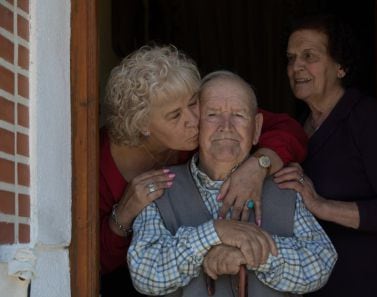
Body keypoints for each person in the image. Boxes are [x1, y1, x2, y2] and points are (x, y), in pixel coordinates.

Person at [100, 45, 308, 296]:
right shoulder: (94, 167)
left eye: (193, 104)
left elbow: (289, 129)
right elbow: (92, 264)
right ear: (143, 124)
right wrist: (121, 217)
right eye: (175, 115)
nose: (193, 120)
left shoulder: (201, 133)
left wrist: (259, 164)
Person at [128, 70, 337, 296]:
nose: (225, 126)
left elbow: (321, 260)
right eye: (212, 114)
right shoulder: (161, 186)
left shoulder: (286, 185)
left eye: (238, 115)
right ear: (196, 125)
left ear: (256, 128)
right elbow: (145, 274)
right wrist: (214, 233)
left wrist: (250, 253)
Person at [273, 14, 377, 297]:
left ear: (340, 66)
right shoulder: (296, 128)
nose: (296, 66)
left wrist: (321, 205)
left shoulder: (370, 119)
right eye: (291, 58)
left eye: (309, 56)